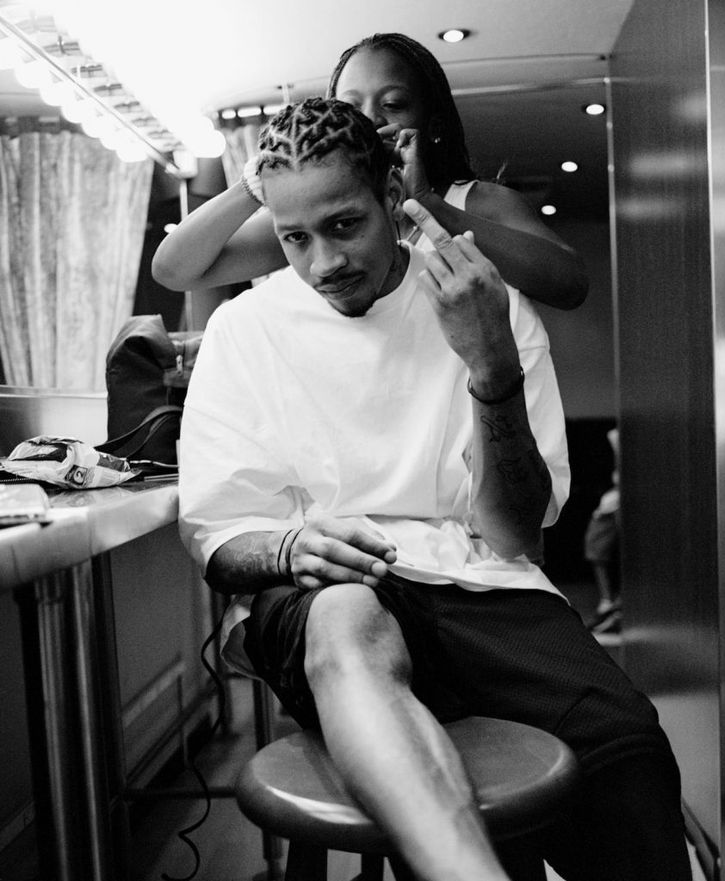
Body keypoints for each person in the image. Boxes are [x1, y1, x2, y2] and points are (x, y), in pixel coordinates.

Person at [178, 97, 691, 881]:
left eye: (344, 225)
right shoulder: (246, 331)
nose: (323, 264)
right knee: (350, 614)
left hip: (481, 581)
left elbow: (516, 533)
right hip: (328, 591)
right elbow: (217, 535)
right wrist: (288, 544)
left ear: (392, 195)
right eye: (294, 239)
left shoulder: (486, 301)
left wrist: (491, 367)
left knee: (628, 751)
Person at [152, 32, 587, 311]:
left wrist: (431, 208)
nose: (370, 119)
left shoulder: (477, 202)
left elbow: (569, 286)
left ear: (432, 125)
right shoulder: (313, 221)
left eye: (392, 104)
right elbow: (175, 271)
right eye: (350, 106)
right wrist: (257, 180)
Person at [584, 427, 621, 634]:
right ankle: (609, 601)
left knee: (600, 552)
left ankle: (612, 604)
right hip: (610, 507)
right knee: (596, 552)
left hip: (616, 508)